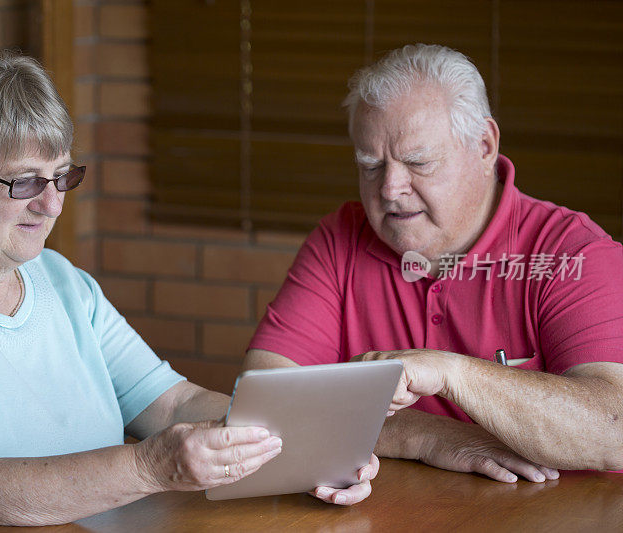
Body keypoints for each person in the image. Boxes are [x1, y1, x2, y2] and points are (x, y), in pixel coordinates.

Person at [0, 53, 378, 533]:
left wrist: (308, 444)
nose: (52, 204)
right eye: (24, 183)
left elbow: (174, 404)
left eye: (62, 176)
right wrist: (150, 469)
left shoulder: (61, 280)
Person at [245, 43, 623, 483]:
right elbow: (263, 407)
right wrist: (425, 437)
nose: (389, 188)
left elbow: (614, 429)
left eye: (418, 162)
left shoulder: (570, 252)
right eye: (370, 165)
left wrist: (450, 372)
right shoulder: (338, 239)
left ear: (484, 145)